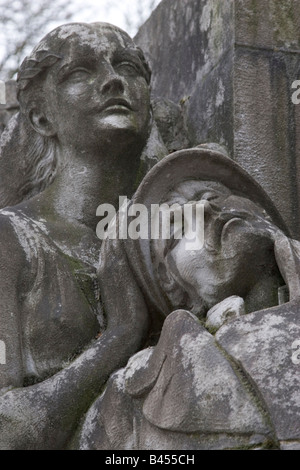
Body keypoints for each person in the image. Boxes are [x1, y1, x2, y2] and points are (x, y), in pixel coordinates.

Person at [76, 148, 300, 450]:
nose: (205, 211)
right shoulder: (170, 383)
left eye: (210, 195)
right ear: (181, 296)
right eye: (178, 231)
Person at [0, 22, 158, 450]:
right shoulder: (10, 239)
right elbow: (7, 431)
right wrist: (120, 336)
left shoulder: (175, 233)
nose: (113, 80)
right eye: (79, 73)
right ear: (40, 117)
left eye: (128, 67)